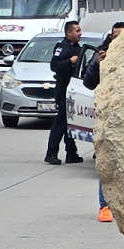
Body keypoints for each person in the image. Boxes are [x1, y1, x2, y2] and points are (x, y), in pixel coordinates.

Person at [42, 16, 84, 166]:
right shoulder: (62, 47)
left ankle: (71, 153)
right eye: (77, 30)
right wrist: (69, 61)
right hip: (63, 89)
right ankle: (51, 153)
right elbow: (54, 65)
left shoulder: (78, 48)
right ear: (68, 33)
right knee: (60, 123)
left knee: (69, 122)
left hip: (73, 89)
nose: (80, 33)